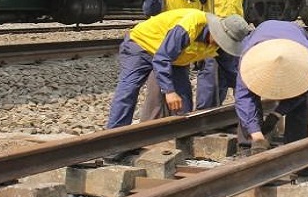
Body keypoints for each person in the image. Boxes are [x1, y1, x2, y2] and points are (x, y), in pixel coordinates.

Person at [105, 9, 252, 129]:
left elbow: (230, 72)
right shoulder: (192, 25)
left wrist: (246, 91)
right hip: (141, 46)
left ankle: (181, 137)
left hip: (175, 57)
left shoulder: (220, 46)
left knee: (183, 101)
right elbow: (162, 58)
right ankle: (114, 136)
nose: (222, 44)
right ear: (217, 31)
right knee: (128, 90)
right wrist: (169, 91)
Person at [138, 0, 212, 121]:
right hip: (161, 52)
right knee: (157, 98)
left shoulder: (195, 1)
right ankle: (149, 130)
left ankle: (179, 127)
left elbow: (195, 29)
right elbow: (149, 11)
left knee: (183, 95)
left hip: (181, 54)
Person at [234, 20, 308, 156]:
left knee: (300, 104)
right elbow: (244, 97)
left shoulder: (306, 61)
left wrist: (277, 114)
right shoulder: (249, 59)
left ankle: (296, 147)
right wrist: (255, 134)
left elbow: (303, 91)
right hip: (262, 37)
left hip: (296, 40)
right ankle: (248, 144)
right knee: (248, 104)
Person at [196, 0, 250, 109]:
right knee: (207, 73)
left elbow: (241, 11)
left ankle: (217, 110)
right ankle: (202, 111)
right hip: (211, 33)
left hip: (232, 35)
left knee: (227, 74)